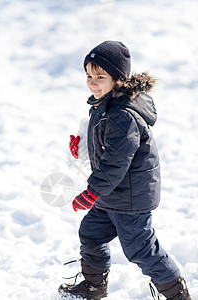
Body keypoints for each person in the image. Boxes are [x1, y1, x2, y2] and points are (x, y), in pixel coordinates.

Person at [58, 41, 193, 300]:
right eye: (88, 75)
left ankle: (179, 295)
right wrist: (83, 146)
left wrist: (92, 192)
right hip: (111, 194)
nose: (92, 82)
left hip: (130, 197)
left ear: (118, 79)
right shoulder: (104, 105)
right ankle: (94, 287)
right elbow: (105, 148)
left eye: (100, 76)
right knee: (91, 233)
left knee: (141, 250)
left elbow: (117, 162)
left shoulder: (123, 115)